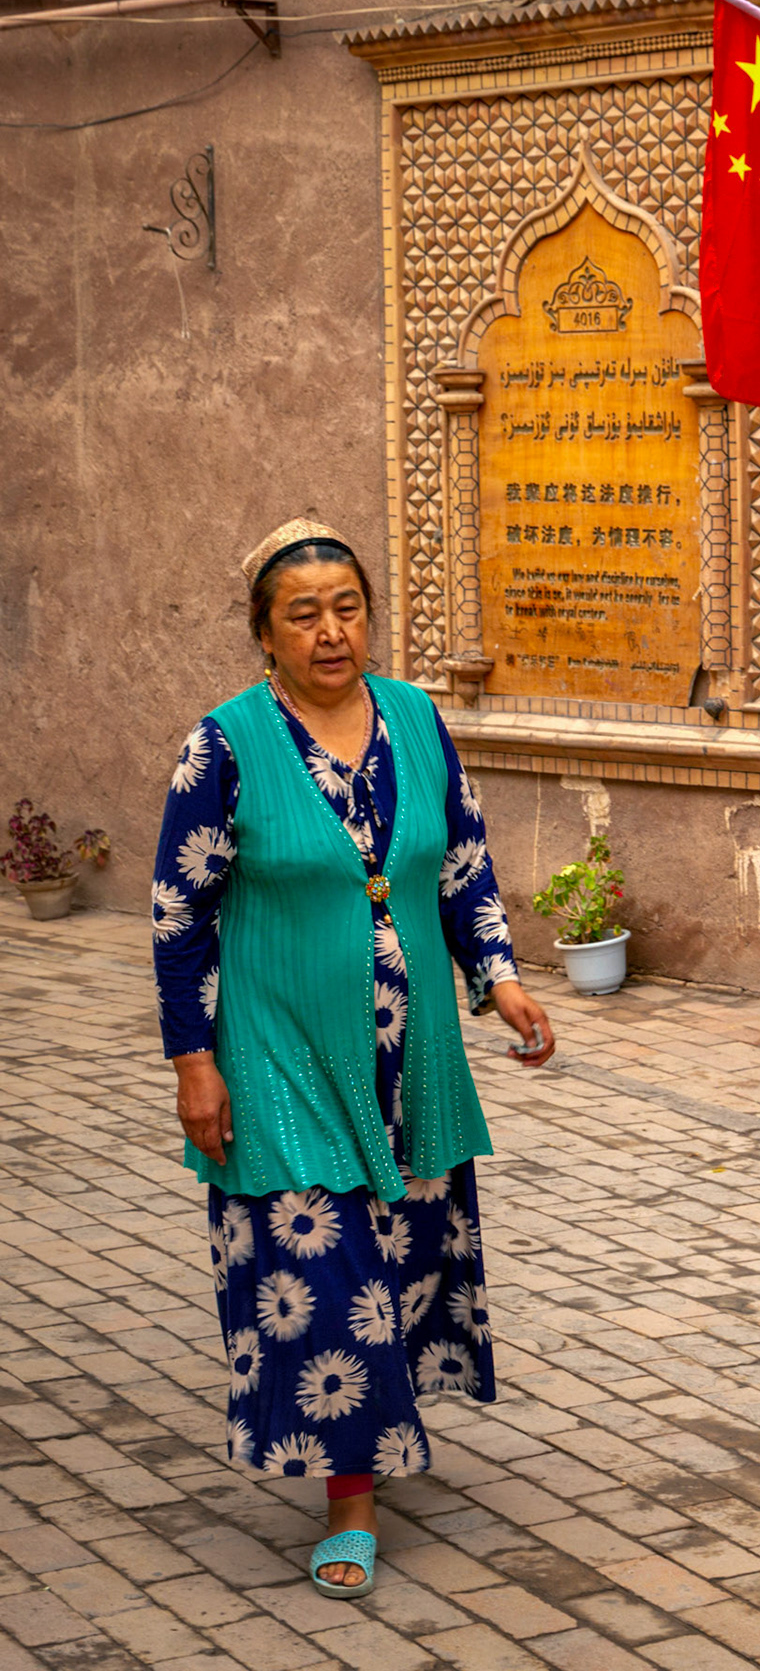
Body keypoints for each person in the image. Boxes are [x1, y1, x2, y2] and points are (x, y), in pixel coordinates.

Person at [152, 519, 555, 1598]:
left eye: (347, 606)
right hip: (281, 1053)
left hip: (410, 1057)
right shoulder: (225, 746)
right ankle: (353, 1499)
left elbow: (462, 860)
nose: (332, 631)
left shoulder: (417, 718)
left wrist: (501, 980)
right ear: (264, 633)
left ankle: (373, 1436)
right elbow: (177, 915)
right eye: (304, 613)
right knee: (325, 1280)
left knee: (402, 1263)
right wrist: (194, 1059)